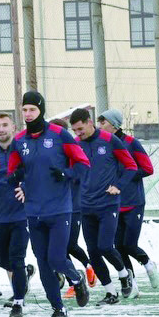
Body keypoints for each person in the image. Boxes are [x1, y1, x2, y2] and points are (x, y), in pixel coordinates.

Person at [7, 92, 90, 317]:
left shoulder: (59, 135)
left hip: (59, 209)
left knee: (56, 258)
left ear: (41, 110)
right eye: (24, 109)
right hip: (33, 211)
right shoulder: (19, 140)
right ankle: (59, 310)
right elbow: (13, 171)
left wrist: (67, 173)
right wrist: (16, 179)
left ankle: (76, 278)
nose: (28, 114)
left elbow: (83, 164)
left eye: (32, 109)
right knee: (43, 263)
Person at [69, 108, 138, 306]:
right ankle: (110, 292)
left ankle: (124, 275)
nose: (78, 133)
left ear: (89, 122)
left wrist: (119, 185)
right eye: (75, 130)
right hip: (86, 206)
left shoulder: (109, 140)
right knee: (93, 252)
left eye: (80, 129)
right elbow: (72, 170)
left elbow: (131, 166)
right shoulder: (76, 144)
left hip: (108, 204)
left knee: (106, 246)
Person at [98, 108, 159, 294]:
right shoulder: (103, 145)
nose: (100, 126)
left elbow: (148, 169)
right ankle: (132, 285)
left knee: (129, 244)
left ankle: (148, 263)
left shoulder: (132, 143)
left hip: (133, 202)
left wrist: (124, 177)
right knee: (118, 247)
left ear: (115, 125)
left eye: (103, 122)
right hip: (113, 203)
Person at [0, 113, 35, 317]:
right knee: (2, 260)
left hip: (21, 215)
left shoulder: (23, 150)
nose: (1, 129)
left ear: (13, 127)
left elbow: (36, 174)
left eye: (5, 125)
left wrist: (26, 187)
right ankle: (23, 275)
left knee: (17, 258)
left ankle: (18, 302)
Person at [50, 117, 96, 299]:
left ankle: (83, 271)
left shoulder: (72, 151)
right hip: (54, 208)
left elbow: (80, 173)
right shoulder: (50, 154)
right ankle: (77, 276)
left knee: (68, 245)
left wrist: (65, 174)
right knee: (61, 247)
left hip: (73, 206)